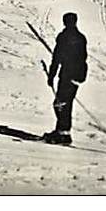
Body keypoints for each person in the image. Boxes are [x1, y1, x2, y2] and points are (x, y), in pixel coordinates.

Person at [44, 12, 88, 145]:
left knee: (60, 104)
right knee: (66, 104)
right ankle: (63, 132)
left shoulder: (63, 37)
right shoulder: (81, 38)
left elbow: (57, 58)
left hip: (67, 75)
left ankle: (62, 133)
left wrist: (51, 75)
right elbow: (83, 58)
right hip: (77, 76)